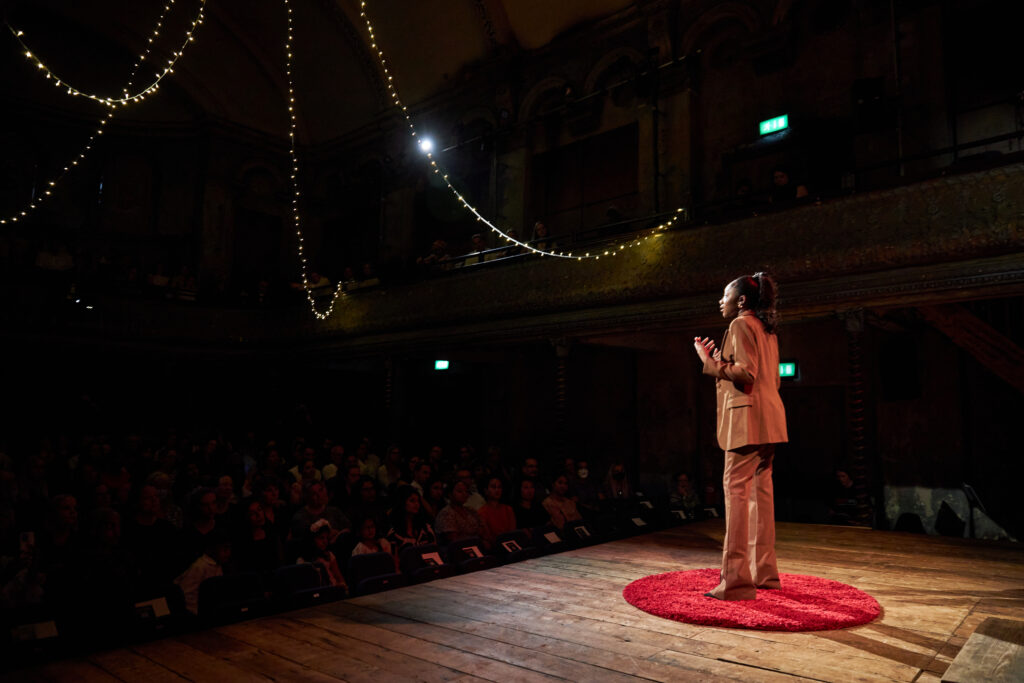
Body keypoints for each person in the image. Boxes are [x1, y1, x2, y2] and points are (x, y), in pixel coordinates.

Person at [693, 272, 787, 600]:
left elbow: (746, 373)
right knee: (760, 500)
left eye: (725, 295)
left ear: (742, 301)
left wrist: (710, 363)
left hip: (745, 423)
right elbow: (760, 375)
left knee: (736, 499)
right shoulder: (766, 329)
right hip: (769, 421)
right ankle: (764, 575)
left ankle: (734, 583)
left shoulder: (740, 325)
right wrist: (722, 361)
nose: (722, 301)